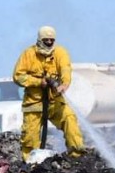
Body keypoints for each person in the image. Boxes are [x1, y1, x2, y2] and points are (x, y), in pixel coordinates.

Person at [12, 25, 84, 161]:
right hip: (34, 103)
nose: (49, 43)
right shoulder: (28, 54)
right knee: (30, 137)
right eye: (46, 40)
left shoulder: (60, 53)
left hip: (55, 101)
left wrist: (64, 84)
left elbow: (65, 69)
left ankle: (77, 157)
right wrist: (38, 82)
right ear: (39, 40)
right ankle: (31, 163)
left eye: (52, 40)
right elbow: (18, 76)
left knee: (70, 120)